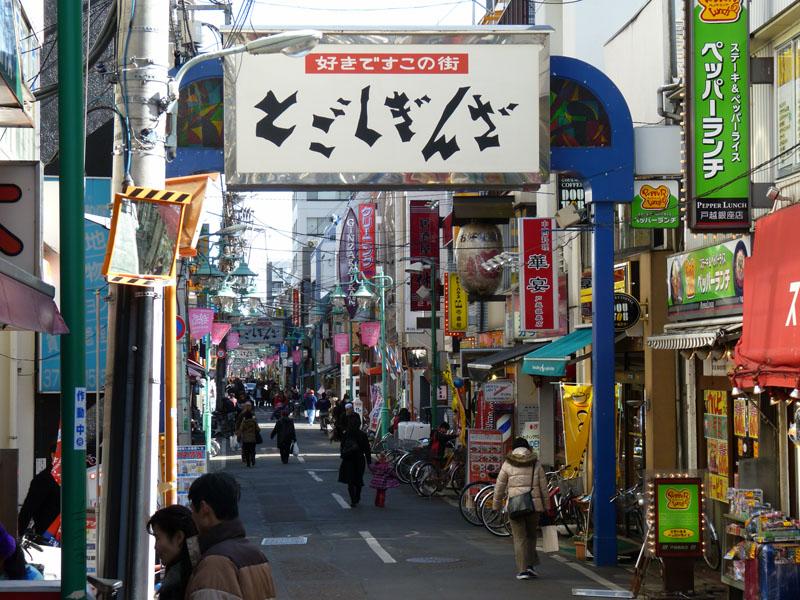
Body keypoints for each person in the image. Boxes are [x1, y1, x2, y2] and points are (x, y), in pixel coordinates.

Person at [185, 473, 275, 599]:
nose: (192, 516)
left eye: (193, 510)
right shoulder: (256, 554)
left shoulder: (214, 563)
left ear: (205, 509)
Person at [492, 437, 549, 580]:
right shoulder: (535, 463)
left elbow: (499, 487)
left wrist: (496, 505)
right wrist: (546, 506)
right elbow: (544, 488)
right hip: (533, 506)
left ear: (513, 449)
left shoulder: (507, 463)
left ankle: (522, 570)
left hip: (514, 506)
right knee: (531, 536)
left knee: (519, 538)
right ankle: (530, 566)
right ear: (527, 448)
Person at [147, 505, 199, 600]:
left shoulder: (191, 581)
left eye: (157, 538)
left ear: (178, 537)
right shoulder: (188, 574)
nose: (155, 547)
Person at [18, 443, 60, 537]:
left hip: (68, 535)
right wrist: (19, 535)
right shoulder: (43, 479)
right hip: (47, 537)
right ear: (53, 455)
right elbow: (28, 510)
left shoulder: (72, 479)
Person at [338, 417, 371, 507]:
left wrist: (343, 454)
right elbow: (367, 449)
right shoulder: (362, 435)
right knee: (358, 479)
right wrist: (369, 462)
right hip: (359, 459)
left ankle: (353, 499)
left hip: (348, 460)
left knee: (350, 481)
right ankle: (357, 496)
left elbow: (342, 446)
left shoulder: (346, 434)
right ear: (359, 424)